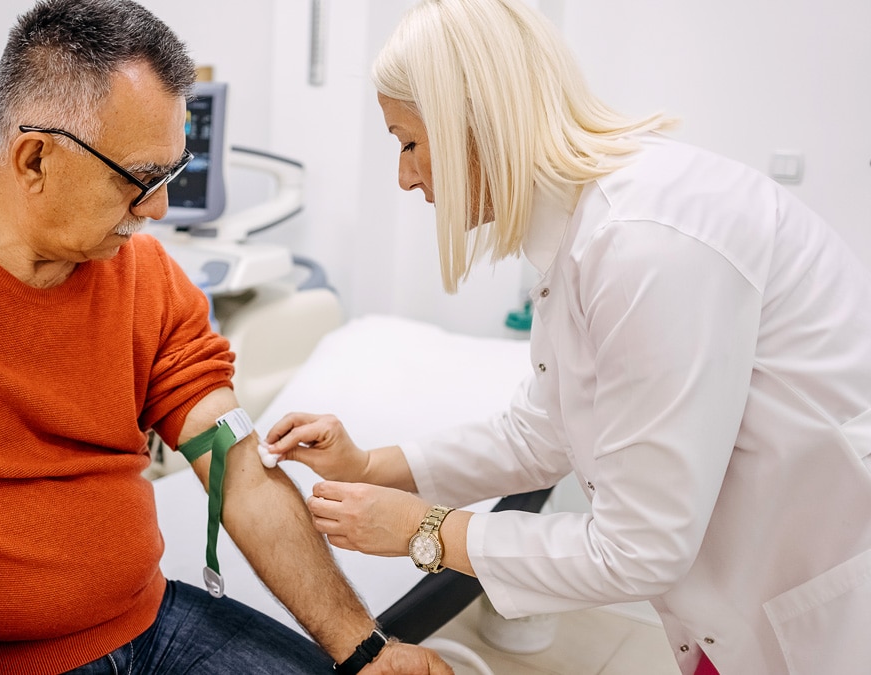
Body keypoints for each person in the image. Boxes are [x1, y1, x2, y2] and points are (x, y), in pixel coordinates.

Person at [0, 1, 453, 673]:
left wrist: (368, 651)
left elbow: (236, 466)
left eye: (173, 172)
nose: (162, 207)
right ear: (35, 158)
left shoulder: (144, 275)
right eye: (141, 179)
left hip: (152, 622)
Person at [261, 1, 871, 674]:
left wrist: (423, 531)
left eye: (408, 141)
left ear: (476, 121)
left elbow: (639, 549)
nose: (405, 176)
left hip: (824, 592)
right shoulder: (586, 232)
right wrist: (366, 465)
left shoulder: (648, 242)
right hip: (743, 594)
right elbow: (543, 432)